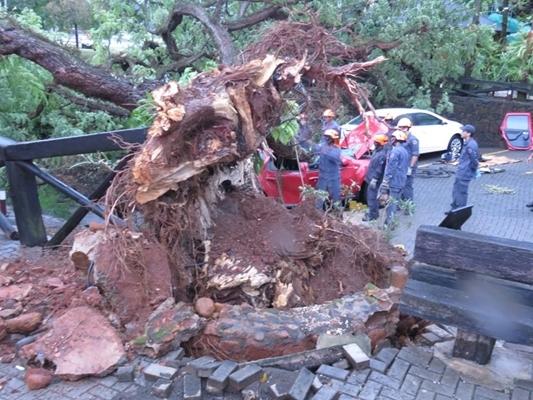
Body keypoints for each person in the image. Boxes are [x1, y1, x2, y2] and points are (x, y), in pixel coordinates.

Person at [378, 130, 409, 226]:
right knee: (395, 202)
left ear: (396, 139)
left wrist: (385, 182)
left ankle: (389, 224)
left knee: (391, 204)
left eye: (393, 138)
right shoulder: (405, 151)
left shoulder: (395, 152)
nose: (391, 139)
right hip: (401, 181)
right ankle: (391, 222)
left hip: (394, 182)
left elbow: (391, 168)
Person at [448, 124, 479, 213]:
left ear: (468, 133)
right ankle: (454, 208)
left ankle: (460, 211)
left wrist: (470, 170)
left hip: (465, 172)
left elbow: (474, 161)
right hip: (461, 171)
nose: (461, 132)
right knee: (456, 190)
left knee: (461, 192)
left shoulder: (470, 145)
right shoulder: (467, 143)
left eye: (463, 131)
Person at [363, 133, 389, 222]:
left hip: (374, 179)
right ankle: (374, 213)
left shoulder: (382, 155)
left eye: (376, 142)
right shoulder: (377, 151)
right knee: (371, 196)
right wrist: (366, 156)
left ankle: (373, 215)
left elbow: (379, 169)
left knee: (372, 197)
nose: (374, 143)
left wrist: (374, 179)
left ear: (380, 143)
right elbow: (374, 157)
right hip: (370, 177)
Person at [315, 129, 342, 210]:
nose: (326, 139)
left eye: (328, 137)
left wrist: (325, 150)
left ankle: (338, 216)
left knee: (336, 198)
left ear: (333, 139)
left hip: (333, 177)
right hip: (322, 176)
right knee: (319, 197)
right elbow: (314, 149)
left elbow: (335, 157)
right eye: (326, 137)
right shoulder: (323, 145)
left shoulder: (337, 148)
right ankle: (319, 215)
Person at [397, 117, 419, 206]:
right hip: (402, 166)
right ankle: (402, 203)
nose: (399, 130)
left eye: (401, 128)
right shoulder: (402, 138)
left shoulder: (413, 140)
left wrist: (410, 167)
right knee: (401, 186)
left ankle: (409, 205)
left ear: (406, 128)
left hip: (409, 167)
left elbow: (415, 155)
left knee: (407, 186)